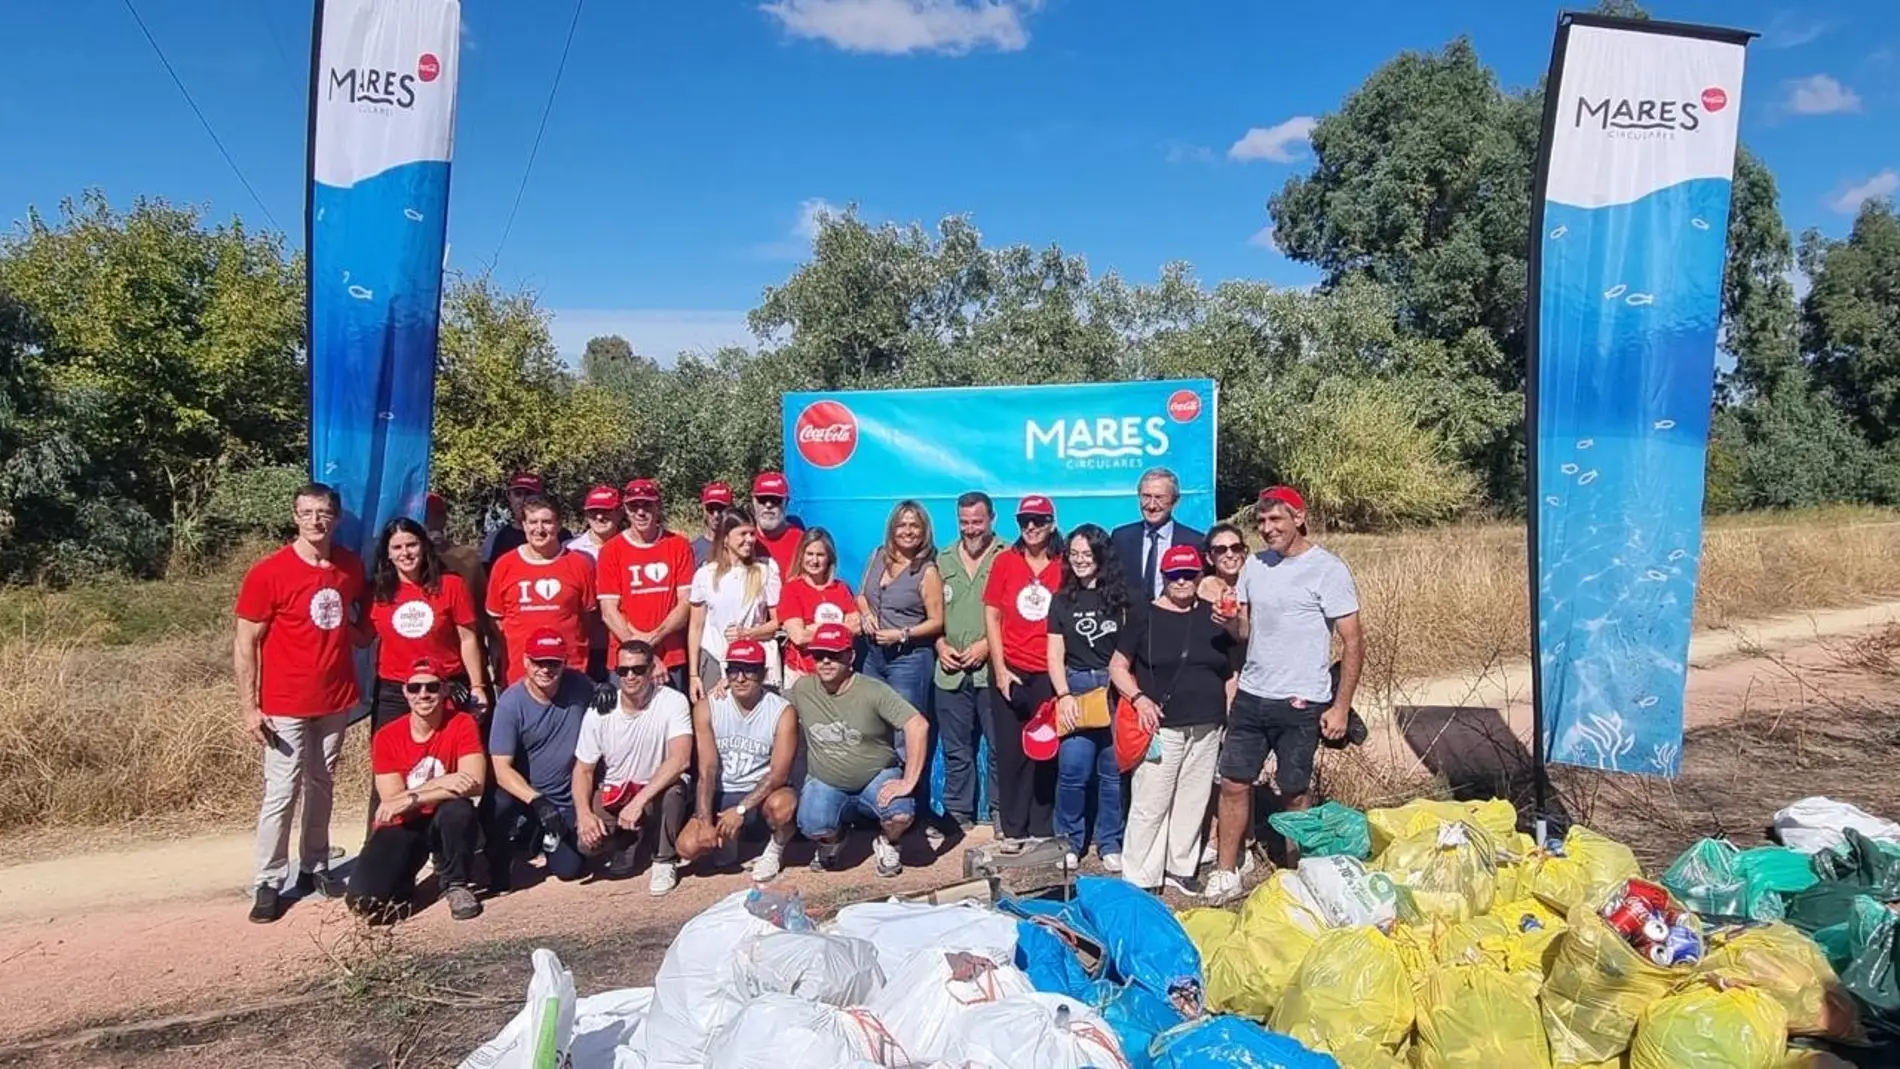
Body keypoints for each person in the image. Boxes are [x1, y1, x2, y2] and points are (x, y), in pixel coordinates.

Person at [1205, 486, 1364, 905]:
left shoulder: (1328, 569)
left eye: (1276, 519)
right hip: (1252, 694)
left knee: (1294, 790)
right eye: (1261, 521)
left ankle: (1302, 872)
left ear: (1299, 518)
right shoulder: (1255, 566)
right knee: (1233, 782)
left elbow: (1353, 641)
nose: (1267, 528)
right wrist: (1227, 623)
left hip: (1302, 699)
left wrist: (1341, 706)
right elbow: (1245, 630)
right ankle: (1226, 871)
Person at [235, 482, 369, 923]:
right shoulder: (269, 572)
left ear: (337, 517)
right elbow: (246, 642)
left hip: (334, 697)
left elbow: (361, 617)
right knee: (282, 789)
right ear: (295, 517)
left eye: (324, 512)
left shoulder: (349, 566)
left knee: (322, 782)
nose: (316, 521)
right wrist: (249, 707)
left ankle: (315, 864)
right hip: (284, 701)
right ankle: (269, 879)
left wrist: (359, 635)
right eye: (307, 512)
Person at [1109, 545, 1239, 895]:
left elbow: (1230, 671)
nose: (1181, 581)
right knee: (1151, 801)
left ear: (1199, 576)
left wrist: (1229, 711)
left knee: (1193, 799)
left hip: (1207, 723)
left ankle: (1180, 866)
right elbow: (1118, 666)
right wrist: (1139, 699)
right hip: (1160, 726)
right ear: (1163, 577)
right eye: (1174, 575)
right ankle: (1140, 875)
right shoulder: (1144, 616)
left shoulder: (1214, 616)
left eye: (1188, 574)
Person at [347, 656, 487, 922]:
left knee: (459, 811)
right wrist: (441, 783)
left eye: (432, 687)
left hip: (443, 816)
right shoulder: (387, 735)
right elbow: (392, 800)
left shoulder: (462, 723)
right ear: (405, 692)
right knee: (363, 903)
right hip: (406, 823)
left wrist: (413, 796)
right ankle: (403, 880)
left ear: (444, 690)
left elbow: (475, 782)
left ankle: (456, 883)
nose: (423, 694)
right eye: (415, 688)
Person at [790, 623, 928, 877]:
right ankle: (834, 840)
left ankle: (888, 842)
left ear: (850, 656)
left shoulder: (873, 690)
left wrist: (909, 781)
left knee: (900, 815)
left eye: (834, 654)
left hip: (877, 775)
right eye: (819, 655)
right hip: (826, 780)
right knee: (811, 825)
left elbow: (917, 725)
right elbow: (770, 705)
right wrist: (726, 685)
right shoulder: (803, 689)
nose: (826, 661)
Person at [571, 640, 694, 895]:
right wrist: (583, 814)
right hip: (617, 791)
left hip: (655, 788)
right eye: (623, 670)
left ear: (651, 670)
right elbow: (583, 769)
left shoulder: (673, 701)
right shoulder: (600, 709)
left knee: (674, 791)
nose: (630, 676)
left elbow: (681, 759)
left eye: (638, 669)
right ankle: (627, 842)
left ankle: (664, 859)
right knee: (587, 845)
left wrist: (639, 801)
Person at [676, 639, 800, 883]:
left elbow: (779, 774)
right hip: (723, 794)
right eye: (734, 670)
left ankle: (774, 850)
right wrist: (704, 819)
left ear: (763, 673)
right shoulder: (707, 707)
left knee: (783, 806)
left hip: (761, 795)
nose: (740, 678)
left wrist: (741, 809)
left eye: (749, 670)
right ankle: (728, 840)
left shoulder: (782, 711)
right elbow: (707, 769)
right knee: (687, 847)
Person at [485, 628, 594, 892]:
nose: (545, 669)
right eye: (538, 662)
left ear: (564, 663)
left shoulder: (580, 685)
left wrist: (607, 692)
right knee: (497, 804)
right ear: (526, 661)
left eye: (553, 663)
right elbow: (500, 768)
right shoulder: (511, 703)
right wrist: (536, 800)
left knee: (569, 870)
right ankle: (499, 863)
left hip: (566, 796)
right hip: (527, 795)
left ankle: (538, 837)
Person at [1046, 524, 1128, 873]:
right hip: (1076, 687)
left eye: (1087, 554)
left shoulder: (1122, 599)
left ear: (1101, 556)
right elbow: (1054, 655)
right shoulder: (1062, 600)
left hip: (1114, 688)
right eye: (1074, 554)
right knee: (1072, 771)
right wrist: (1063, 695)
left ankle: (1110, 841)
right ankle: (1068, 842)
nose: (1080, 560)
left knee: (1112, 774)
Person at [983, 494, 1062, 851]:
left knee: (1045, 749)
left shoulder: (1063, 564)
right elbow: (992, 616)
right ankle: (1013, 830)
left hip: (1049, 670)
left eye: (1039, 520)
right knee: (1011, 752)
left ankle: (1042, 825)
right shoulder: (1005, 561)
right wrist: (1000, 670)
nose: (1031, 527)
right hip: (1011, 669)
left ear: (1051, 523)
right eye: (1024, 521)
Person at [367, 516, 488, 733]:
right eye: (397, 547)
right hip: (395, 690)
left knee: (451, 750)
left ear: (423, 546)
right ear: (388, 553)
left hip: (445, 686)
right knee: (389, 750)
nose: (405, 553)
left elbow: (468, 639)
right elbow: (363, 637)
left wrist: (477, 687)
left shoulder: (452, 585)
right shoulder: (377, 592)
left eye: (411, 545)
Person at [934, 491, 1005, 832]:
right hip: (950, 671)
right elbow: (929, 612)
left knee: (999, 747)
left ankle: (1002, 812)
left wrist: (988, 646)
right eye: (964, 522)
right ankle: (957, 813)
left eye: (977, 522)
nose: (971, 529)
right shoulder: (942, 559)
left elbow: (1018, 614)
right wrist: (939, 644)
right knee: (956, 749)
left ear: (992, 519)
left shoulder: (1009, 556)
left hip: (994, 670)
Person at [597, 479, 697, 693]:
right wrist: (640, 652)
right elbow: (608, 611)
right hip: (624, 658)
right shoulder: (611, 550)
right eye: (634, 506)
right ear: (625, 509)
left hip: (670, 656)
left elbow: (685, 603)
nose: (640, 512)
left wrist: (653, 639)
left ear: (658, 506)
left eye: (647, 505)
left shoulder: (678, 545)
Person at [486, 495, 598, 684]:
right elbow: (496, 620)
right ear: (523, 525)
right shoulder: (504, 565)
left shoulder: (579, 564)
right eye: (532, 522)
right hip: (520, 674)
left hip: (570, 671)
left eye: (546, 522)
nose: (539, 529)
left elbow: (588, 617)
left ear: (559, 525)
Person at [856, 500, 945, 716]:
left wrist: (902, 634)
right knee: (872, 722)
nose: (907, 531)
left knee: (904, 726)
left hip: (908, 661)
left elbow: (937, 622)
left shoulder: (927, 571)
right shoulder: (877, 556)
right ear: (892, 529)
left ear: (924, 531)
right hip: (872, 657)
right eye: (902, 525)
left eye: (914, 526)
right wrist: (866, 614)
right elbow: (861, 596)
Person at [688, 506, 782, 701]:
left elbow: (777, 623)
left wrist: (748, 634)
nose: (750, 539)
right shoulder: (705, 575)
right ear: (725, 538)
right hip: (713, 661)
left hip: (752, 662)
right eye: (743, 534)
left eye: (752, 534)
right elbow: (696, 627)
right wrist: (693, 675)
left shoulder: (765, 571)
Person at [777, 527, 859, 688]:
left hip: (838, 674)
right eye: (809, 554)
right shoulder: (791, 589)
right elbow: (799, 637)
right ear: (801, 555)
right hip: (802, 673)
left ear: (829, 558)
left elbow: (856, 628)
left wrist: (814, 628)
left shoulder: (842, 588)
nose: (814, 561)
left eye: (820, 555)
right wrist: (838, 629)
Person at [1111, 468, 1205, 601]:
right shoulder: (1121, 538)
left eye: (1159, 497)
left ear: (1175, 501)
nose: (1151, 505)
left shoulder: (1195, 542)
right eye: (1146, 496)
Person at [566, 485, 623, 681]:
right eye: (593, 511)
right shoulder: (570, 550)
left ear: (619, 513)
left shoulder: (631, 546)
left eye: (606, 511)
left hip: (622, 641)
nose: (599, 517)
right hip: (585, 644)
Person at [481, 472, 572, 568]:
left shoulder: (561, 536)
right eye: (518, 494)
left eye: (529, 494)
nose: (523, 500)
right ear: (509, 497)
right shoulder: (497, 539)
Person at [749, 471, 804, 580]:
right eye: (762, 499)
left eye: (775, 499)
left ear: (786, 502)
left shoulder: (802, 542)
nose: (768, 505)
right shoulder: (741, 539)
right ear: (754, 501)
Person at [691, 482, 733, 566]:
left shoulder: (737, 546)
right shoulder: (693, 549)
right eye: (711, 509)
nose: (716, 515)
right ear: (704, 510)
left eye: (721, 509)